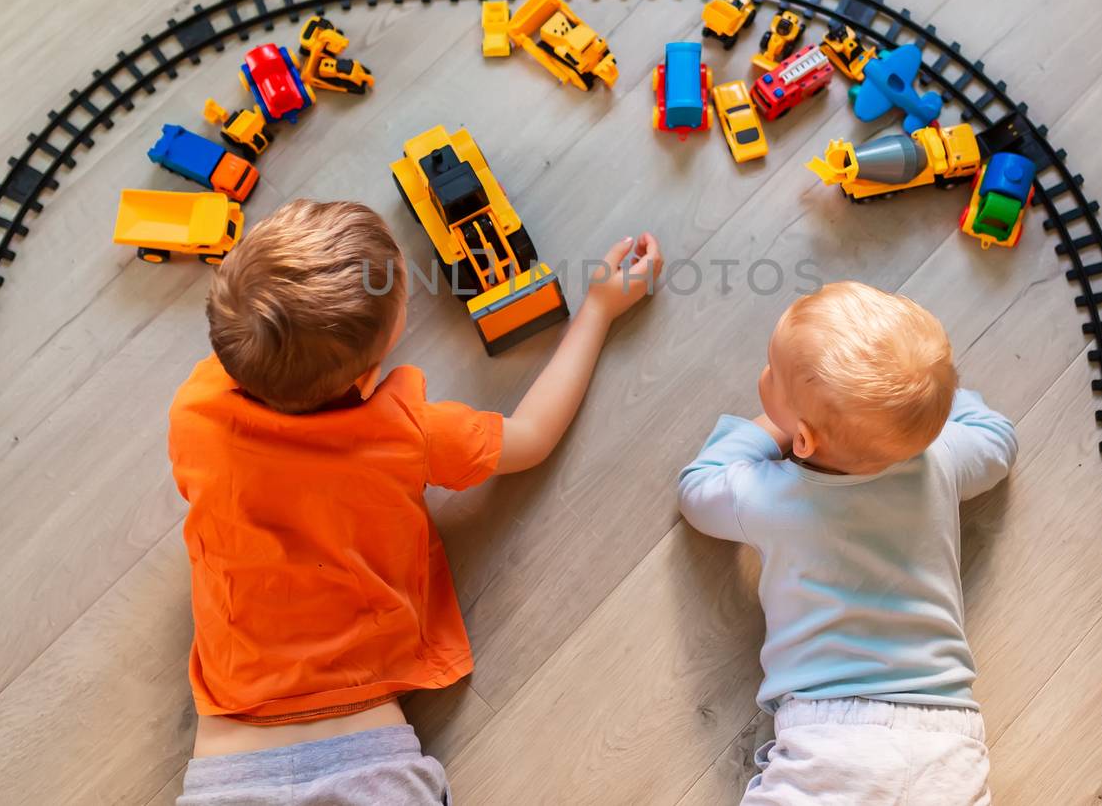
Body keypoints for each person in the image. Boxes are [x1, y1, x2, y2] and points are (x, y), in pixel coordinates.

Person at [169, 198, 660, 805]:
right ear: (370, 375)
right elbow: (530, 438)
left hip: (228, 762)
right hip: (364, 759)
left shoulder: (194, 413)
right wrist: (599, 310)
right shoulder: (405, 431)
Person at [677, 281, 1017, 805]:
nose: (764, 375)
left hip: (833, 737)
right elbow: (998, 441)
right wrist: (929, 408)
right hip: (949, 739)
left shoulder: (771, 495)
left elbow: (697, 492)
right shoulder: (943, 459)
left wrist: (769, 430)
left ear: (805, 439)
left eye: (772, 375)